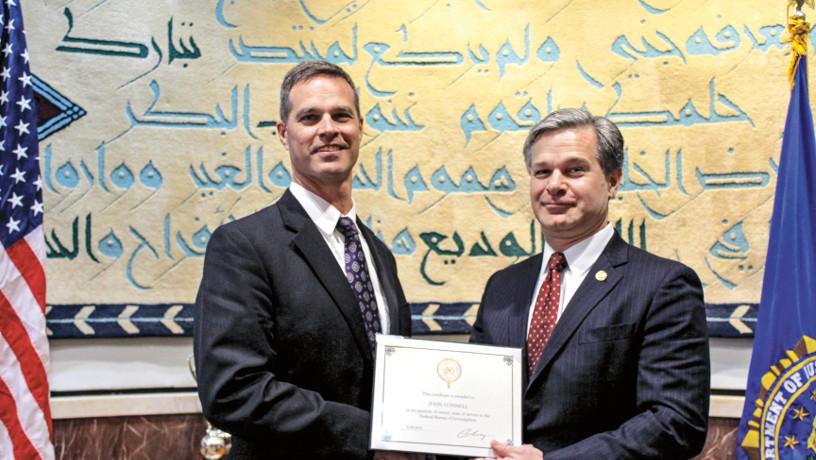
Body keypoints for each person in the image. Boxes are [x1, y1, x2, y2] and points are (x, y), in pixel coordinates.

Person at [194, 61, 415, 459]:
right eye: (310, 117)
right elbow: (232, 390)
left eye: (341, 116)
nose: (328, 128)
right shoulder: (243, 246)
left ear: (360, 127)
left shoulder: (378, 254)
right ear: (284, 133)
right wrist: (370, 434)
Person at [470, 108, 710, 459]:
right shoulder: (503, 286)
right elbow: (473, 396)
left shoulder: (664, 285)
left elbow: (676, 421)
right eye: (542, 172)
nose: (554, 185)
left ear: (613, 181)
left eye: (574, 170)